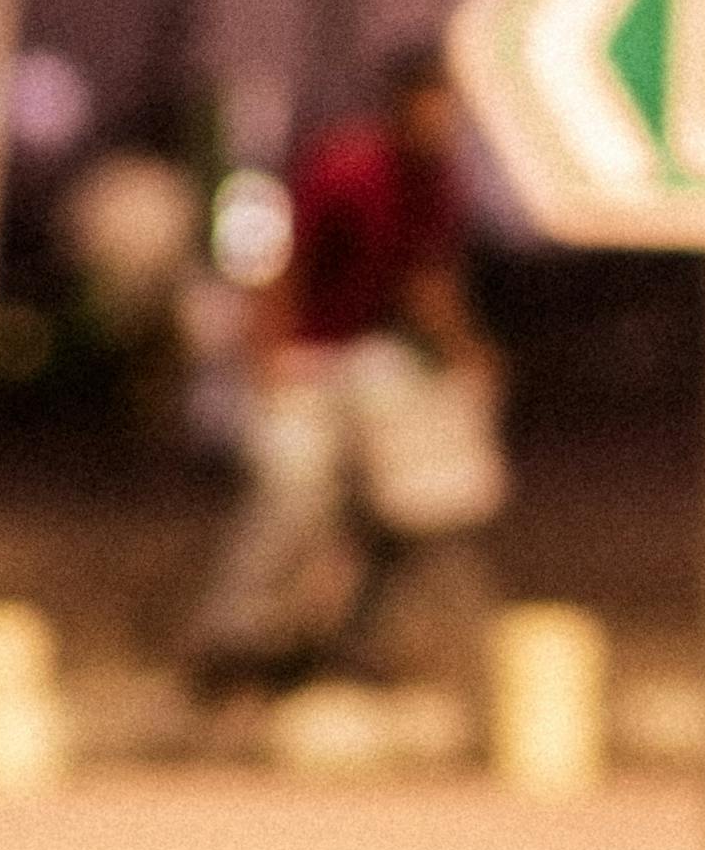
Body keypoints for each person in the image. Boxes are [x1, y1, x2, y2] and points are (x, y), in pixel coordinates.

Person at [189, 48, 506, 688]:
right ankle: (231, 640)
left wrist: (467, 350)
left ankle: (350, 643)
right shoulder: (346, 168)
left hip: (372, 366)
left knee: (410, 508)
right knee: (293, 498)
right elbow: (285, 264)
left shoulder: (440, 180)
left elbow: (427, 282)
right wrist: (269, 358)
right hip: (309, 358)